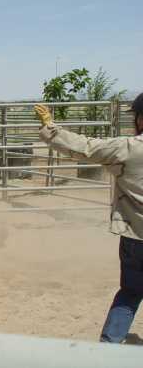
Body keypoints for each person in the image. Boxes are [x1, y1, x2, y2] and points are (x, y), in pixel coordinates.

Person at [34, 94, 143, 343]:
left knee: (130, 292)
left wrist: (50, 127)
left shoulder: (128, 148)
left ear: (141, 119)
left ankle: (109, 345)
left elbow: (85, 147)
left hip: (135, 236)